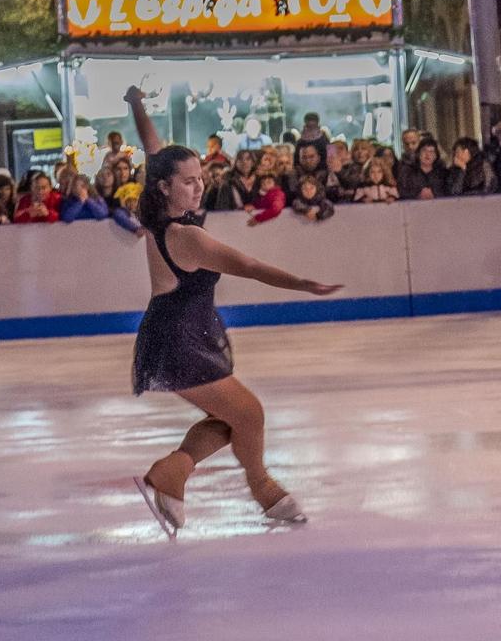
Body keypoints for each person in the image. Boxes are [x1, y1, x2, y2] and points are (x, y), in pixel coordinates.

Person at [124, 88, 340, 538]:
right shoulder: (186, 237)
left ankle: (174, 472)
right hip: (180, 339)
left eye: (200, 177)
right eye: (188, 181)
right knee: (250, 414)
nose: (199, 185)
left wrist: (136, 105)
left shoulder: (160, 212)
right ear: (165, 187)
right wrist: (302, 284)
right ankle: (263, 489)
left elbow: (152, 147)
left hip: (179, 333)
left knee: (230, 419)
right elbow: (251, 267)